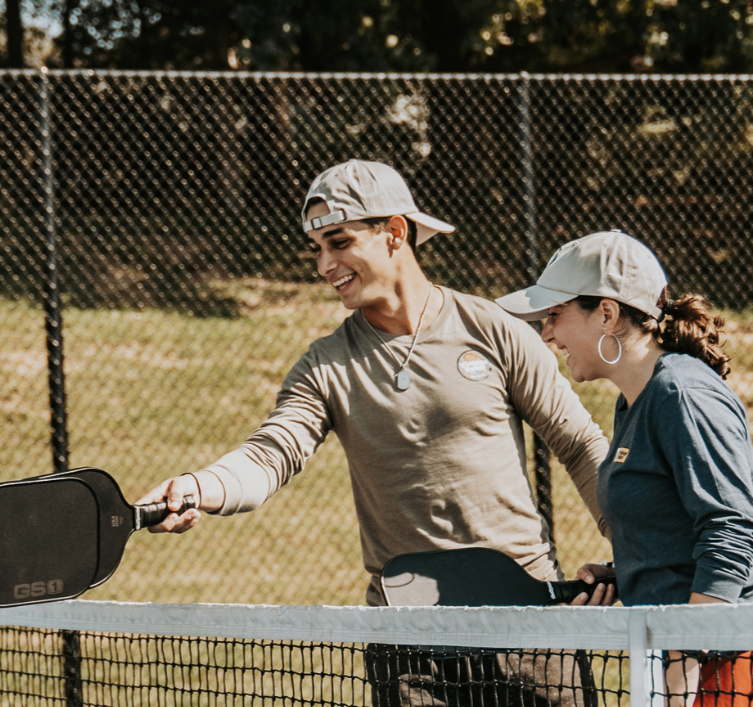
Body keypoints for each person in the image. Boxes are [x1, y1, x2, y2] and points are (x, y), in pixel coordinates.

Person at [139, 160, 610, 707]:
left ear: (394, 233)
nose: (324, 263)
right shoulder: (325, 365)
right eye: (316, 247)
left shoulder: (493, 329)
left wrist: (638, 550)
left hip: (527, 623)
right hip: (409, 643)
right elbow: (271, 455)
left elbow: (579, 444)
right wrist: (201, 485)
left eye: (338, 241)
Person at [498, 230, 753, 707]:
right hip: (678, 656)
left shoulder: (681, 394)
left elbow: (733, 530)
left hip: (724, 664)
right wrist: (629, 571)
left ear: (608, 313)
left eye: (554, 315)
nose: (547, 333)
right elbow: (678, 526)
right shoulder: (634, 400)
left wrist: (682, 662)